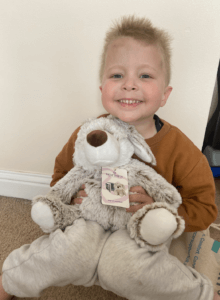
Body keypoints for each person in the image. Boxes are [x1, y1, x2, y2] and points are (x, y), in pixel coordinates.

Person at [1, 15, 219, 300]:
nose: (129, 85)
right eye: (117, 75)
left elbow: (204, 208)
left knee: (133, 269)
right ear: (103, 89)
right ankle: (10, 281)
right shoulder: (89, 135)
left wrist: (161, 211)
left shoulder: (181, 149)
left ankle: (202, 294)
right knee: (62, 251)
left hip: (138, 233)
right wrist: (71, 196)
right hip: (88, 221)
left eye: (145, 75)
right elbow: (62, 174)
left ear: (164, 95)